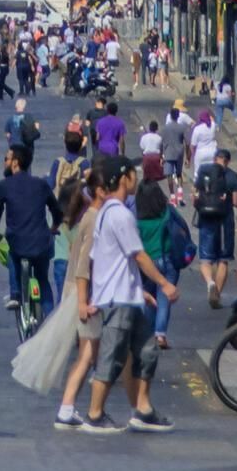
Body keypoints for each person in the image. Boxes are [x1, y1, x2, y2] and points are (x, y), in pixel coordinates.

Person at [70, 158, 175, 433]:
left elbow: (106, 259)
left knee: (147, 350)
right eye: (133, 173)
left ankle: (143, 409)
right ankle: (94, 414)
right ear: (125, 177)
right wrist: (164, 283)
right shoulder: (120, 214)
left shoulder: (105, 212)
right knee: (113, 355)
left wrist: (139, 289)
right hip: (117, 299)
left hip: (127, 296)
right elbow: (138, 255)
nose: (136, 178)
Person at [0, 138, 58, 334]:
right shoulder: (41, 184)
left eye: (6, 158)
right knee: (43, 281)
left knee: (13, 253)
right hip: (42, 242)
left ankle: (16, 293)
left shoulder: (4, 185)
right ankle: (51, 324)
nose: (4, 161)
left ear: (15, 162)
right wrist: (54, 227)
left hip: (18, 242)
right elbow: (56, 210)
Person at [192, 134, 237, 307]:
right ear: (228, 161)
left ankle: (210, 283)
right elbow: (236, 203)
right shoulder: (232, 176)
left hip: (206, 219)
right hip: (225, 220)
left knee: (206, 259)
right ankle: (218, 295)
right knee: (223, 259)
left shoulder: (204, 172)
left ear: (215, 159)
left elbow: (194, 198)